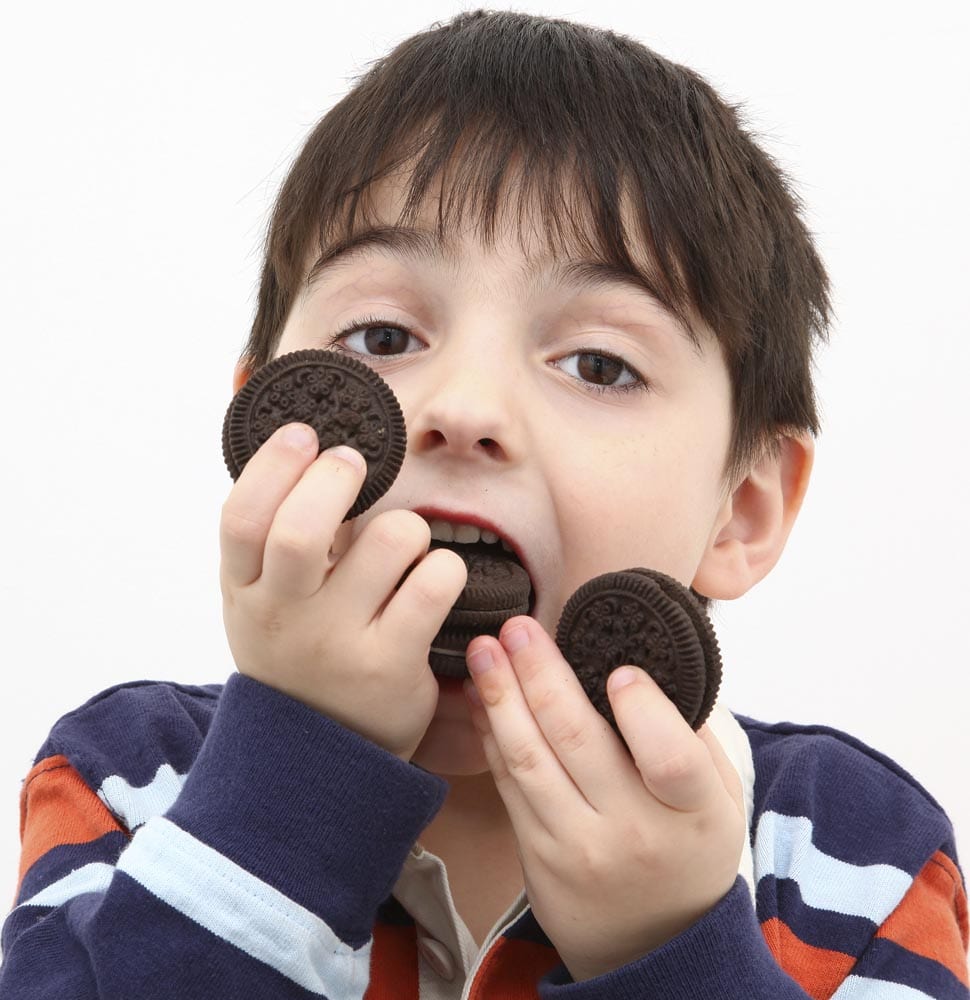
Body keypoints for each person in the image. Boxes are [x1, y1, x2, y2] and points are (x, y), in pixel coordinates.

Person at [2, 9, 966, 999]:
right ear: (261, 427)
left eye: (597, 363)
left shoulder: (859, 861)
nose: (463, 410)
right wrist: (295, 781)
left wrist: (669, 950)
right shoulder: (132, 784)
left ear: (743, 510)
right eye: (380, 336)